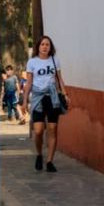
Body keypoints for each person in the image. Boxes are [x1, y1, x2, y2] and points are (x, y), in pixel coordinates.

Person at [23, 35, 68, 172]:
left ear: (50, 47)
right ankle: (39, 154)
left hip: (52, 97)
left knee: (53, 129)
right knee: (38, 131)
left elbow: (59, 79)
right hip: (37, 97)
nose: (44, 47)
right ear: (38, 47)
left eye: (47, 44)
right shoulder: (32, 62)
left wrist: (65, 94)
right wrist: (25, 100)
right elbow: (29, 82)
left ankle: (49, 161)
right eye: (42, 44)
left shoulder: (55, 61)